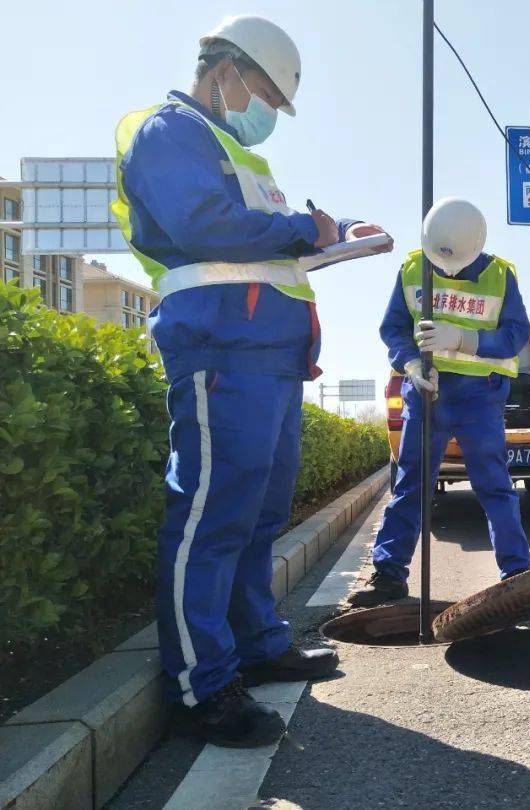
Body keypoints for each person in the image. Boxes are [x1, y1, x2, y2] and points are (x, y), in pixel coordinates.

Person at [112, 15, 394, 747]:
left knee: (257, 515)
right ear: (223, 72)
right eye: (264, 93)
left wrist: (335, 235)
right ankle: (201, 686)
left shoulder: (238, 153)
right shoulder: (169, 130)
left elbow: (265, 245)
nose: (267, 112)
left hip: (267, 356)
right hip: (220, 347)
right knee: (210, 517)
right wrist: (311, 232)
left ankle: (257, 644)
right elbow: (207, 228)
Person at [350, 198, 530, 606]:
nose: (447, 270)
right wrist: (410, 362)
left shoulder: (500, 276)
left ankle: (516, 573)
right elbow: (394, 328)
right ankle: (388, 575)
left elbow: (516, 335)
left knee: (494, 485)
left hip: (479, 395)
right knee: (411, 483)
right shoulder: (413, 268)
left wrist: (466, 339)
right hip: (426, 392)